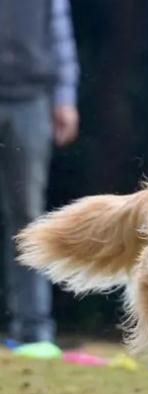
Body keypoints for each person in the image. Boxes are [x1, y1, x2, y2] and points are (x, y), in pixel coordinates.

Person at [0, 0, 79, 343]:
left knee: (27, 216)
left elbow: (61, 40)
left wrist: (65, 98)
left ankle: (33, 329)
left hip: (31, 98)